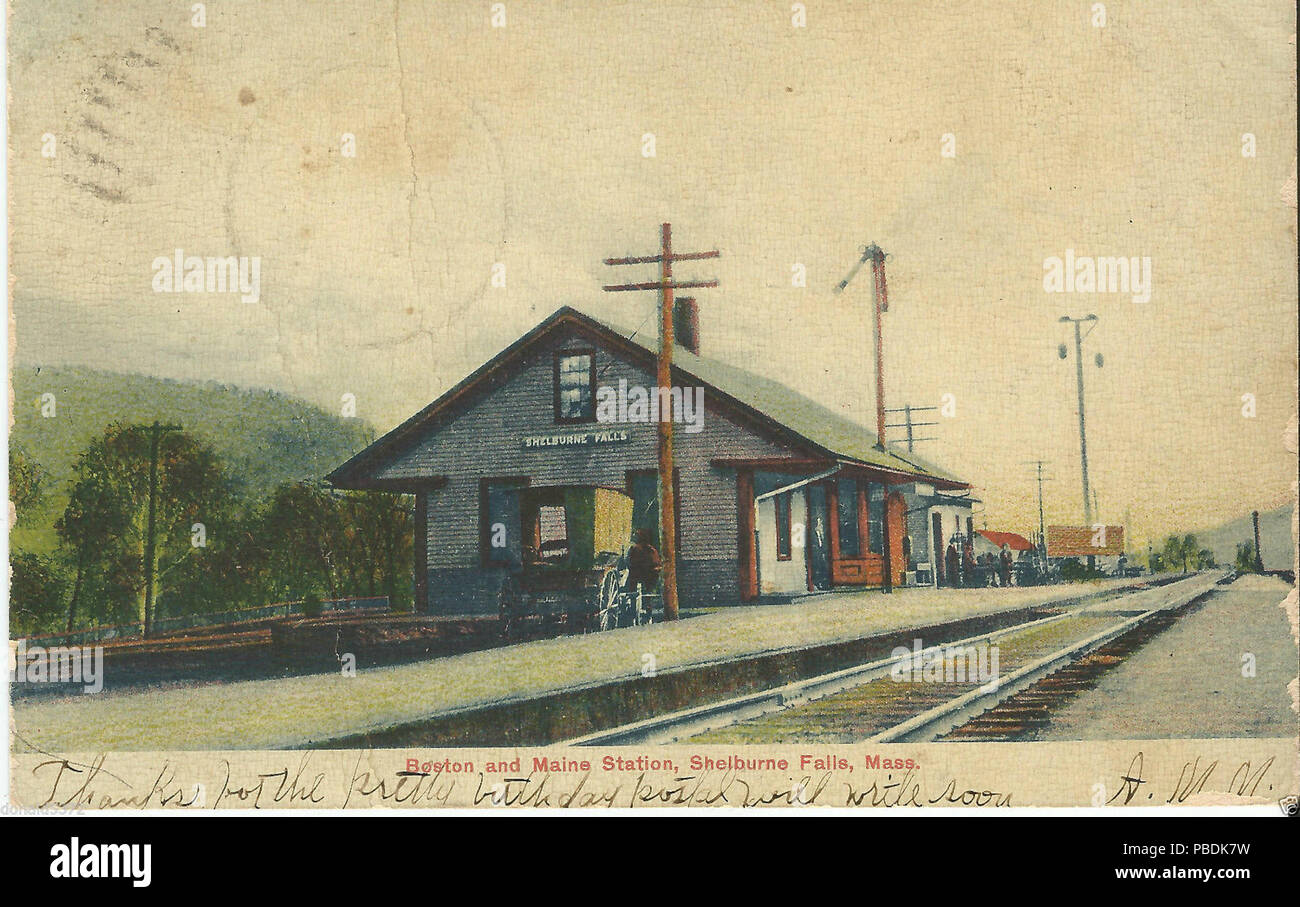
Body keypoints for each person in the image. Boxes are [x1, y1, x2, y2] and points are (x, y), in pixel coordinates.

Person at [626, 528, 661, 594]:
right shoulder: (651, 550)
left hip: (638, 575)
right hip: (650, 575)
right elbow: (656, 562)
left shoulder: (635, 549)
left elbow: (629, 563)